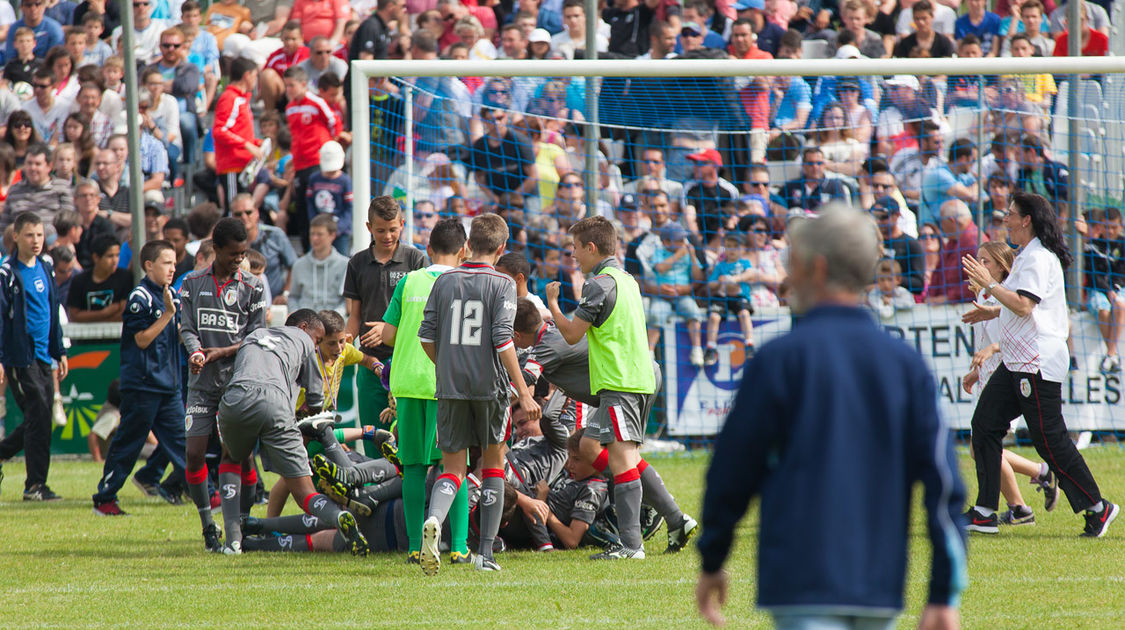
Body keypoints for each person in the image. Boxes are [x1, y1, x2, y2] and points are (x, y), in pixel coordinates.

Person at [696, 205, 967, 629]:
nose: (787, 277)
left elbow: (732, 470)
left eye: (793, 264)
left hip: (800, 581)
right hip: (877, 585)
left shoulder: (779, 361)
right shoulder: (905, 365)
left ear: (815, 269)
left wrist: (713, 557)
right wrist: (944, 591)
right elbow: (943, 483)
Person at [961, 191, 1118, 537]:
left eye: (1011, 214)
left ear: (1027, 220)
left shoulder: (1036, 258)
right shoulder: (1024, 257)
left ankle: (1097, 506)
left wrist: (989, 284)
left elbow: (1024, 306)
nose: (1006, 220)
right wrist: (989, 308)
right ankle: (986, 511)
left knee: (1050, 440)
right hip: (1016, 361)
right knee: (984, 425)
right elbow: (1019, 306)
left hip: (1036, 361)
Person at [547, 215, 685, 560]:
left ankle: (630, 544)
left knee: (621, 460)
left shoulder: (599, 284)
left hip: (620, 381)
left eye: (576, 249)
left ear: (591, 248)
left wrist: (552, 303)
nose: (574, 256)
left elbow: (572, 334)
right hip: (640, 377)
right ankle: (675, 519)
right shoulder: (626, 279)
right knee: (629, 457)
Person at [512, 299, 697, 553]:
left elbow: (523, 384)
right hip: (635, 375)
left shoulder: (544, 345)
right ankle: (675, 519)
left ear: (516, 334)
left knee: (618, 456)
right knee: (597, 448)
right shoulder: (553, 328)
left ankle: (634, 538)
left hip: (626, 382)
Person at [414, 213, 540, 575]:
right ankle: (485, 553)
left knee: (452, 468)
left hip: (450, 387)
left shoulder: (444, 280)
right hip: (490, 389)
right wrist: (523, 392)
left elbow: (426, 336)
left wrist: (448, 364)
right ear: (501, 248)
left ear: (468, 244)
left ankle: (435, 520)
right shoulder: (501, 284)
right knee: (492, 466)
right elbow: (503, 339)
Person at [357, 218, 472, 566]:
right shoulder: (466, 282)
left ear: (428, 250)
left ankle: (411, 547)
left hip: (407, 383)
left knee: (414, 468)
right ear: (464, 251)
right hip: (448, 385)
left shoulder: (409, 281)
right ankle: (459, 546)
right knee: (454, 467)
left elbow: (388, 335)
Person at [215, 309, 369, 556]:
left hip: (236, 398)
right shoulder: (303, 340)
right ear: (305, 327)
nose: (316, 345)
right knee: (303, 490)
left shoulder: (255, 336)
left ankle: (233, 540)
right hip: (276, 403)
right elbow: (315, 394)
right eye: (318, 339)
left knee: (232, 459)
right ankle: (337, 516)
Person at [179, 217, 267, 552]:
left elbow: (257, 337)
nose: (239, 260)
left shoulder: (253, 286)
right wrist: (196, 351)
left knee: (240, 456)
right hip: (201, 383)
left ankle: (240, 527)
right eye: (233, 254)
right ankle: (208, 528)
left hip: (238, 382)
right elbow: (186, 328)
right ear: (215, 249)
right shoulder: (192, 283)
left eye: (243, 254)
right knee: (194, 454)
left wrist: (221, 353)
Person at [961, 240, 1056, 527]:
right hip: (990, 377)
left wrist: (992, 350)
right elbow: (988, 338)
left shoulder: (1007, 298)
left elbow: (1018, 336)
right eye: (977, 259)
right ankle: (1020, 506)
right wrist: (978, 371)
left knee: (982, 445)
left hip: (1009, 376)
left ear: (1003, 269)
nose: (979, 265)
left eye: (985, 261)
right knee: (982, 445)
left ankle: (1033, 481)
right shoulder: (984, 296)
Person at [91, 240, 188, 515]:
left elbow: (174, 334)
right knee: (129, 444)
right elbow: (142, 340)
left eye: (174, 263)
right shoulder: (140, 297)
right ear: (149, 265)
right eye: (167, 263)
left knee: (183, 442)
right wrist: (168, 314)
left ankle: (208, 495)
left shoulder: (172, 296)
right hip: (143, 385)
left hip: (169, 385)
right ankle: (105, 498)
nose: (173, 268)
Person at [0, 212, 68, 501]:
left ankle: (13, 463)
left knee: (38, 416)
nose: (36, 240)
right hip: (20, 355)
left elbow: (52, 312)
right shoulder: (7, 274)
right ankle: (35, 485)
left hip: (43, 356)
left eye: (40, 235)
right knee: (38, 411)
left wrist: (59, 350)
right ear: (16, 237)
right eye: (30, 235)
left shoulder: (46, 267)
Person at [344, 196, 427, 428]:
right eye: (380, 230)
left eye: (393, 229)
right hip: (370, 363)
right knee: (372, 434)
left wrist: (388, 329)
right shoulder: (357, 263)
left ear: (402, 224)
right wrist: (345, 342)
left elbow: (422, 315)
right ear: (369, 227)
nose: (388, 236)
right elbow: (355, 316)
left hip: (406, 363)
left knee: (407, 435)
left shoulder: (416, 260)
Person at [284, 64, 344, 247]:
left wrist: (330, 144)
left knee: (322, 205)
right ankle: (308, 248)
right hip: (301, 165)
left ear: (303, 84)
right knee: (303, 208)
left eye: (291, 85)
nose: (288, 90)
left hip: (317, 162)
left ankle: (331, 245)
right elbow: (294, 137)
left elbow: (335, 121)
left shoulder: (316, 102)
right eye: (286, 86)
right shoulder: (290, 108)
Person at [211, 57, 262, 212]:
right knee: (235, 211)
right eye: (255, 75)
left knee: (243, 210)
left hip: (242, 166)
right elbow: (220, 130)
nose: (256, 80)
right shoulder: (230, 98)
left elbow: (236, 130)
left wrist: (256, 143)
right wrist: (247, 145)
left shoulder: (240, 99)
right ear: (247, 75)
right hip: (232, 165)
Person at [231, 194, 295, 302]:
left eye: (248, 212)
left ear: (257, 213)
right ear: (232, 216)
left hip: (273, 302)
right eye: (238, 214)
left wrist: (285, 294)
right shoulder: (228, 242)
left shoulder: (275, 235)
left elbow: (293, 266)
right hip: (239, 302)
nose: (244, 217)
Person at [1083, 207, 1125, 374]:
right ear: (1100, 226)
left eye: (1114, 227)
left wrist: (1114, 289)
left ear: (1120, 226)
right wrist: (1107, 291)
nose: (1110, 231)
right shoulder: (1091, 247)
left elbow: (1122, 272)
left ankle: (1110, 354)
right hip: (1098, 290)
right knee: (1103, 312)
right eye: (1106, 227)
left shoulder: (1123, 245)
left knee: (1120, 307)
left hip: (1119, 288)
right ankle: (1113, 355)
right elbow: (1093, 274)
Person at [704, 232, 757, 363]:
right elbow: (710, 284)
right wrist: (720, 281)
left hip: (739, 297)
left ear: (743, 248)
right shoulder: (720, 265)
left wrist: (734, 279)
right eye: (728, 246)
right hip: (722, 298)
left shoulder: (745, 263)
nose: (732, 250)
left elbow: (751, 274)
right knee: (714, 316)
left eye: (736, 246)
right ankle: (711, 347)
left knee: (744, 314)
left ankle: (749, 344)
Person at [288, 214, 349, 316]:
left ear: (332, 236)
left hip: (333, 324)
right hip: (304, 323)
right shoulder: (299, 264)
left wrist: (332, 318)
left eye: (320, 234)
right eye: (312, 234)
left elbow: (346, 302)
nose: (314, 238)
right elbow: (293, 297)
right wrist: (296, 314)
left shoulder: (345, 265)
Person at [66, 233, 131, 322]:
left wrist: (90, 317)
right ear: (96, 257)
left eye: (117, 255)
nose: (115, 260)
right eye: (110, 256)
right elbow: (74, 315)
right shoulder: (79, 281)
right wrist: (103, 313)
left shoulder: (124, 278)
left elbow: (124, 313)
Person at [305, 141, 352, 254]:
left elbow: (350, 208)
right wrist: (315, 223)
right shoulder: (314, 178)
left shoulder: (345, 181)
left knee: (342, 260)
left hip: (340, 232)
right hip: (319, 228)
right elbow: (309, 203)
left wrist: (338, 229)